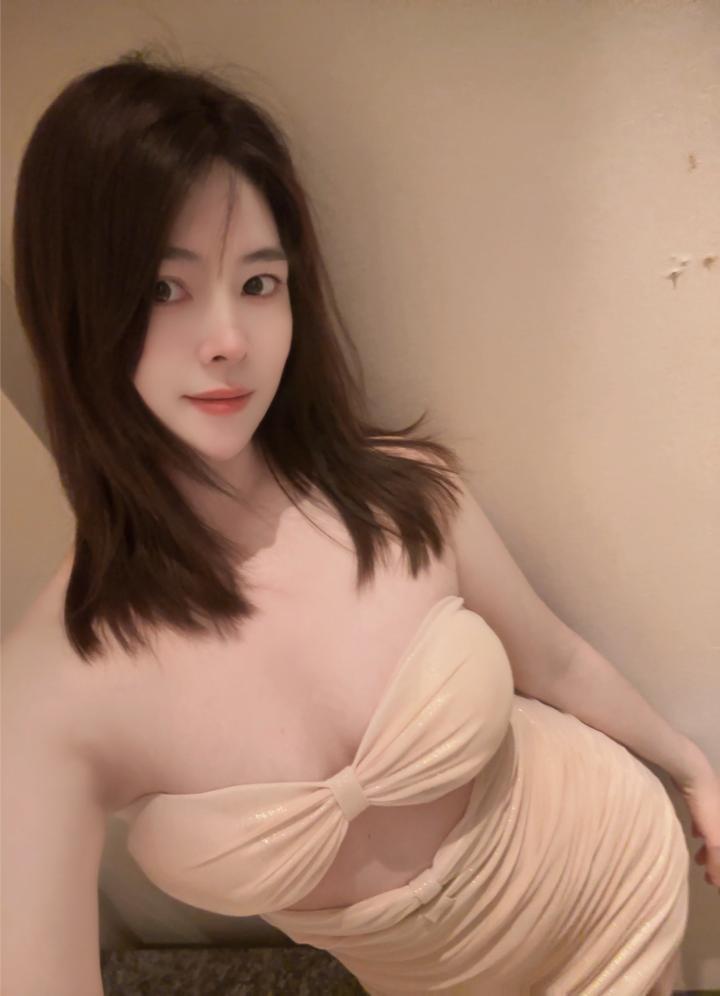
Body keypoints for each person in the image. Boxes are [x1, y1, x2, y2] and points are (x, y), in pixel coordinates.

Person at [3, 50, 718, 996]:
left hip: (619, 871)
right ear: (75, 308)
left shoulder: (400, 492)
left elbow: (555, 663)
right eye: (167, 289)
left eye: (259, 283)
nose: (229, 339)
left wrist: (693, 769)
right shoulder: (54, 696)